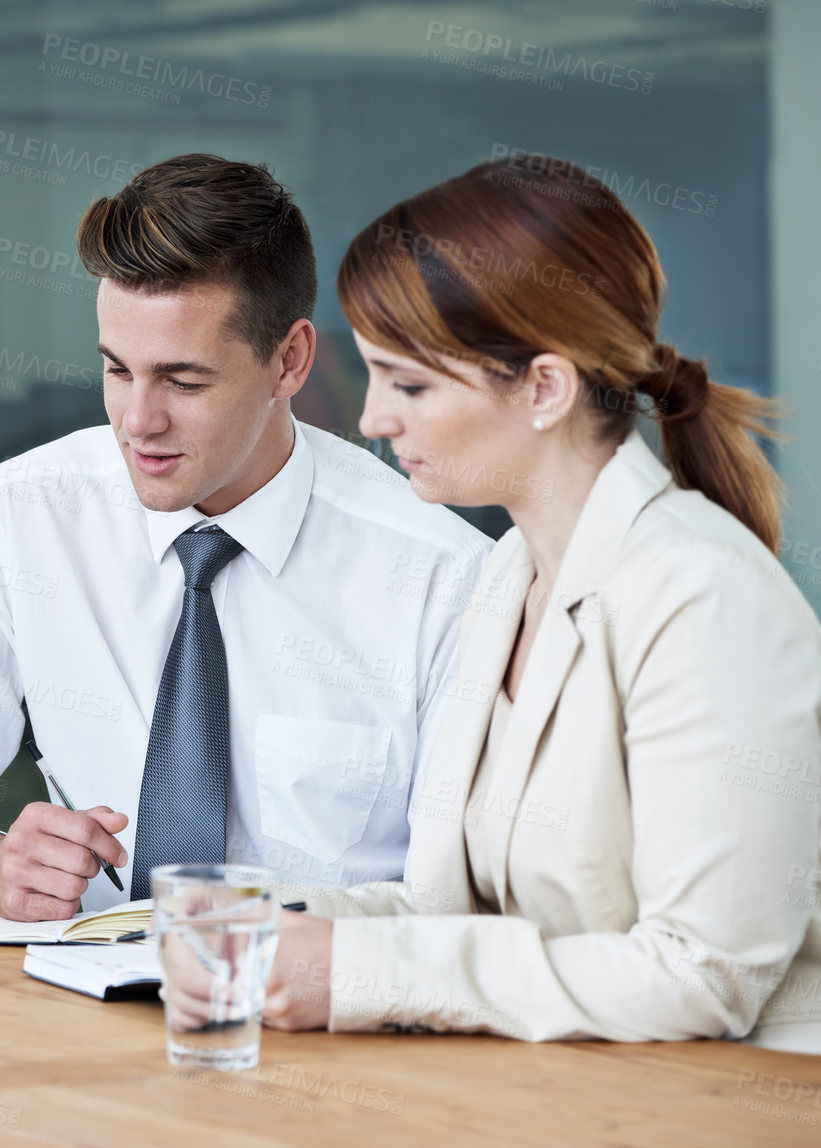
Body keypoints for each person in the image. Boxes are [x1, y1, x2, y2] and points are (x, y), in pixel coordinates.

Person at [0, 155, 491, 919]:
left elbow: (461, 897)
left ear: (290, 361)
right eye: (116, 371)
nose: (137, 422)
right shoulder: (22, 517)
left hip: (317, 1015)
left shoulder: (443, 577)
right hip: (72, 1004)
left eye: (184, 381)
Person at [254, 155, 821, 1052]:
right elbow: (450, 910)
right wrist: (255, 918)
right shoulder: (507, 572)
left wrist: (356, 973)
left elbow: (701, 975)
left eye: (407, 383)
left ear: (544, 389)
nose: (371, 420)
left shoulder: (704, 597)